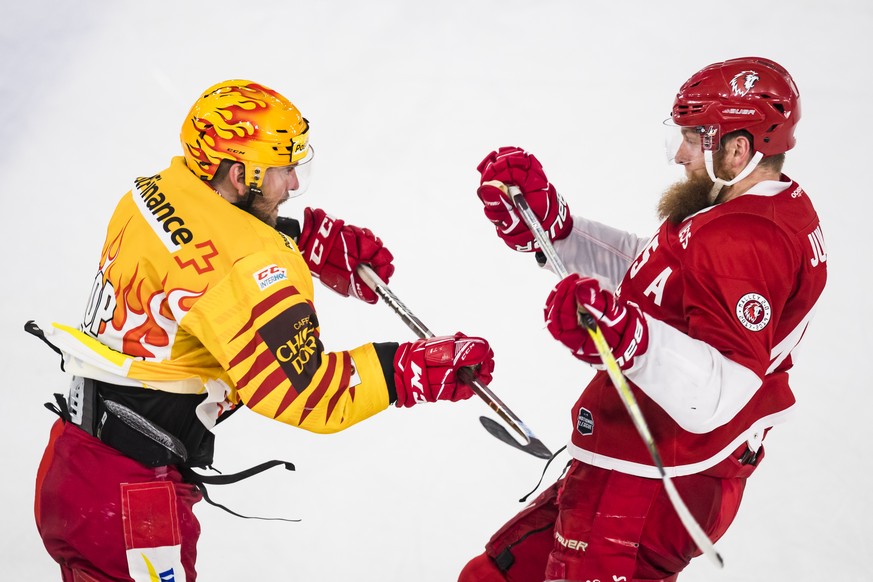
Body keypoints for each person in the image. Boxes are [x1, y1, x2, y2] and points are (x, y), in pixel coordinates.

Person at [28, 79, 495, 581]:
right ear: (237, 173)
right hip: (132, 506)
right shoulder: (246, 266)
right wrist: (404, 371)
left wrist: (297, 237)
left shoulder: (156, 190)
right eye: (285, 169)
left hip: (76, 466)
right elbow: (312, 395)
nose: (293, 184)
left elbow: (203, 246)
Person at [459, 56, 827, 581]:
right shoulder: (743, 208)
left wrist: (630, 337)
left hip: (650, 488)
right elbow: (661, 278)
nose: (680, 154)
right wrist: (558, 231)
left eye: (693, 138)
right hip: (627, 463)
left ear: (738, 148)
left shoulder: (746, 241)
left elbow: (726, 390)